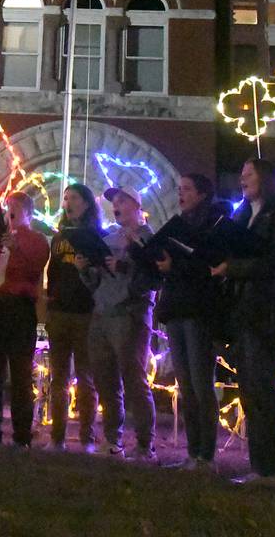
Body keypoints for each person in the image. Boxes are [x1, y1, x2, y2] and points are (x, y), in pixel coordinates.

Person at [215, 158, 275, 487]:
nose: (242, 179)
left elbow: (274, 262)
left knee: (262, 391)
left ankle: (273, 469)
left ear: (266, 177)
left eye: (249, 174)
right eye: (241, 174)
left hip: (263, 312)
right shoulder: (242, 215)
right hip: (240, 311)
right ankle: (260, 466)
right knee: (249, 392)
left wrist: (232, 269)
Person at [153, 174, 230, 470]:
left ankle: (206, 453)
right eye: (179, 189)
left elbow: (210, 266)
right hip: (176, 308)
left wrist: (178, 265)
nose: (181, 194)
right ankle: (193, 451)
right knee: (185, 383)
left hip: (199, 310)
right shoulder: (177, 225)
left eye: (187, 189)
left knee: (201, 382)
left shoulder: (215, 223)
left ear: (201, 194)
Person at [77, 186, 158, 462]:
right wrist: (85, 270)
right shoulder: (109, 239)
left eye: (123, 200)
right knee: (105, 380)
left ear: (137, 205)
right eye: (114, 202)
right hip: (101, 314)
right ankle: (113, 440)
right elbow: (97, 282)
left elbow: (151, 279)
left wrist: (124, 267)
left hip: (130, 315)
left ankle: (146, 445)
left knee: (134, 379)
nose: (117, 205)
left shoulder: (149, 239)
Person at [0, 191, 49, 447]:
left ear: (27, 212)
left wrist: (17, 249)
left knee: (20, 374)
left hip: (19, 309)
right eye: (8, 208)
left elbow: (35, 267)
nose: (10, 212)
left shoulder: (37, 240)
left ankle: (21, 435)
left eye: (15, 207)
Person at [44, 183, 102, 451]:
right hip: (59, 311)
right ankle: (57, 437)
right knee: (58, 378)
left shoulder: (95, 236)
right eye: (66, 198)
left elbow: (99, 277)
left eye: (74, 198)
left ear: (87, 203)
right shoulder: (59, 238)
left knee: (86, 378)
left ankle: (87, 438)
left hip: (84, 314)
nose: (68, 203)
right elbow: (53, 272)